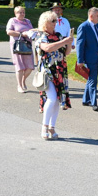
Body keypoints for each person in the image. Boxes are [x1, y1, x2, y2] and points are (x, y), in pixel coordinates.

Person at [35, 10, 73, 139]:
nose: (55, 23)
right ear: (45, 23)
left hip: (60, 71)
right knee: (51, 97)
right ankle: (44, 127)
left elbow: (66, 52)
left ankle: (52, 127)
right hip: (47, 71)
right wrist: (64, 41)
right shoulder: (41, 36)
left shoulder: (59, 35)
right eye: (53, 21)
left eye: (56, 20)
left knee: (57, 100)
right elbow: (47, 48)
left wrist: (69, 42)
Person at [6, 5, 35, 93]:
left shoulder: (28, 21)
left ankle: (23, 80)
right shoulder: (12, 20)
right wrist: (22, 34)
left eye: (23, 12)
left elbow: (32, 30)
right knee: (19, 66)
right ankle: (19, 85)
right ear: (15, 13)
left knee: (30, 66)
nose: (22, 14)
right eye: (20, 12)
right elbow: (9, 32)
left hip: (27, 45)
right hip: (17, 45)